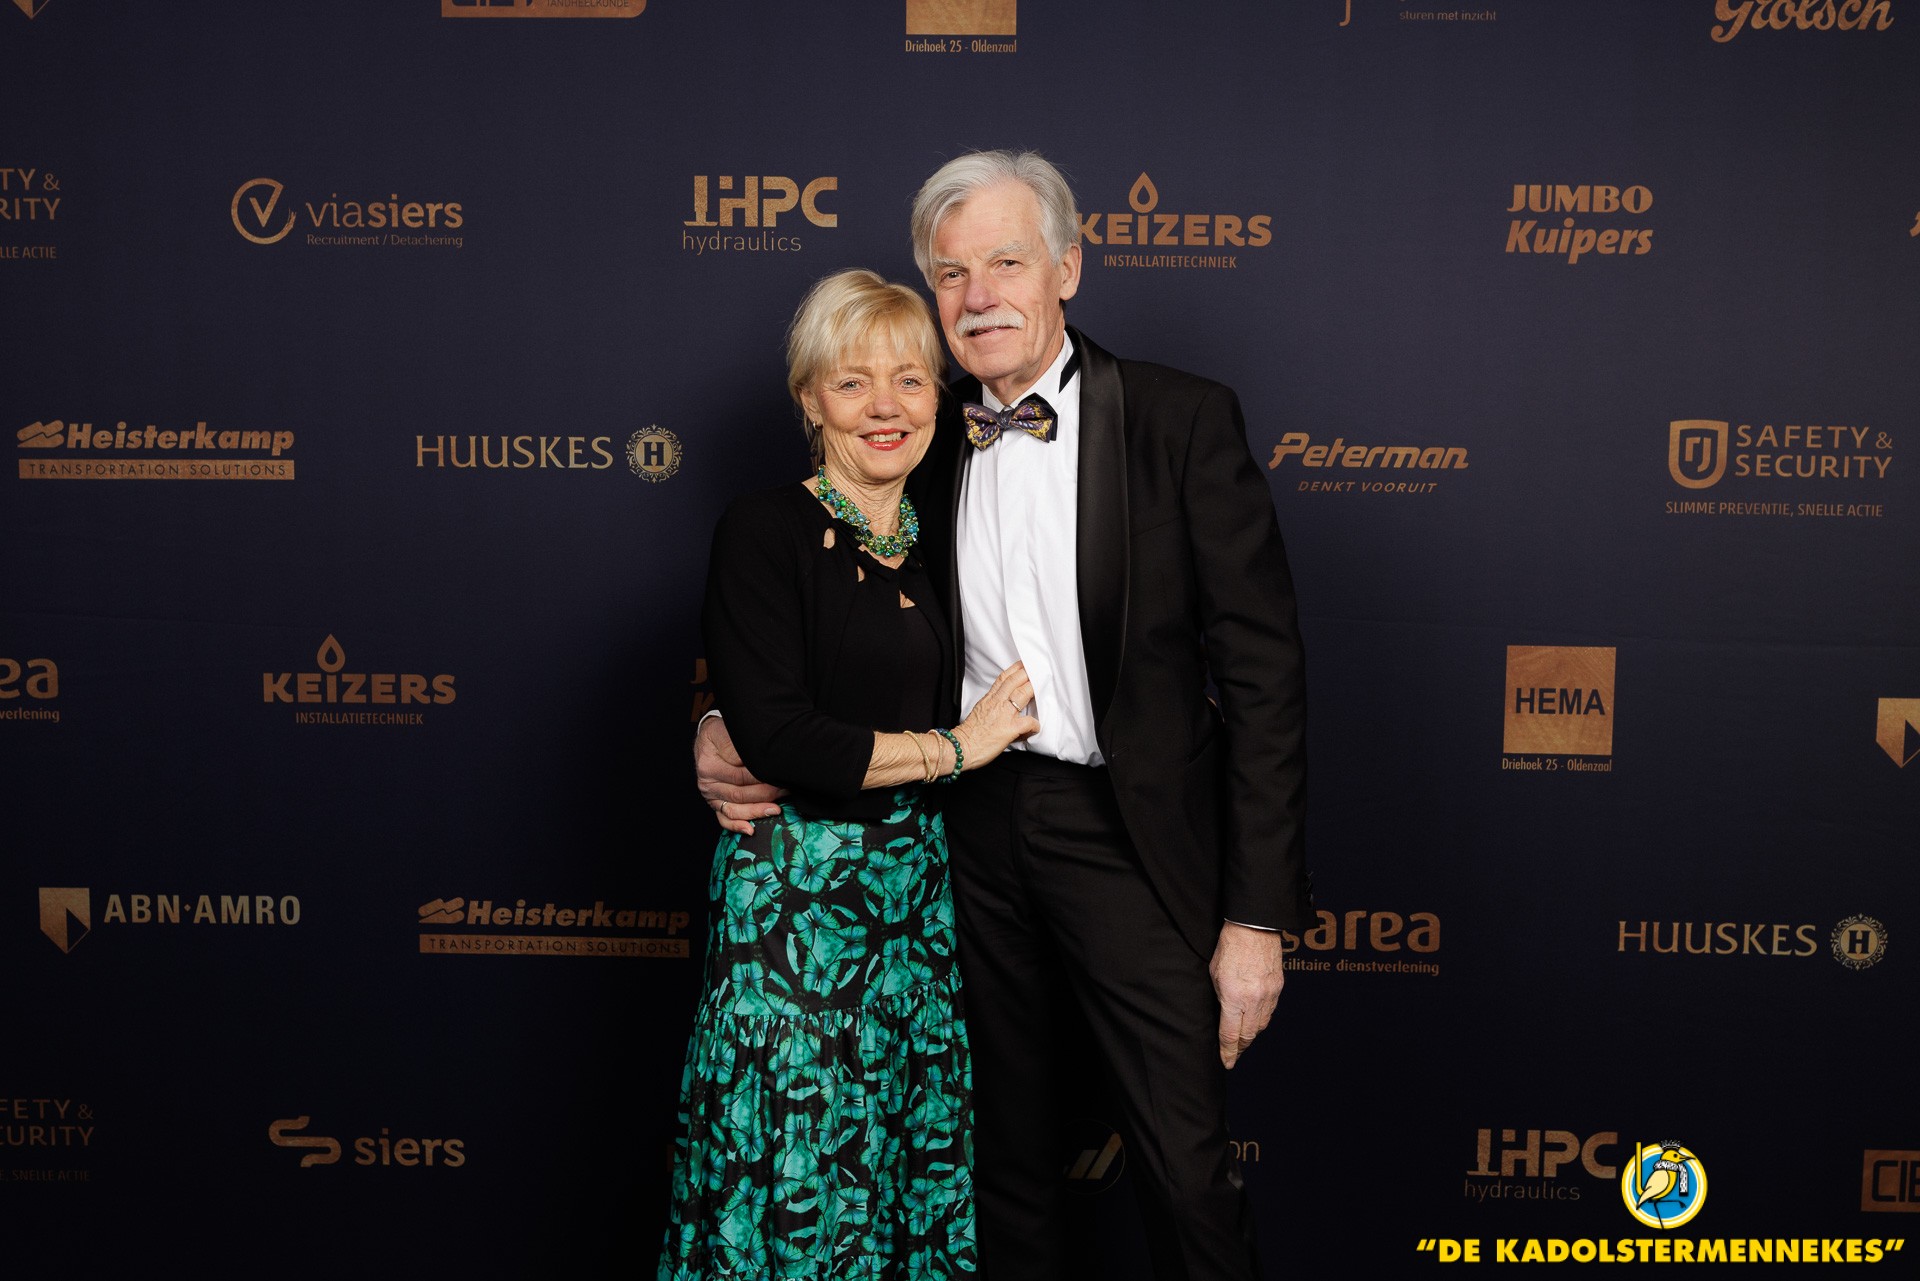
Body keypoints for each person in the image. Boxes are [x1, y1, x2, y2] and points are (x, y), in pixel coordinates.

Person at [696, 151, 1311, 1281]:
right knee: (993, 1157)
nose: (978, 296)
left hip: (1125, 833)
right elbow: (821, 625)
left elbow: (1265, 680)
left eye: (1007, 263)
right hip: (957, 834)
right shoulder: (916, 439)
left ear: (1067, 268)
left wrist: (1257, 916)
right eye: (951, 273)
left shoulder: (1178, 420)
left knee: (1184, 1161)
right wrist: (718, 724)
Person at [660, 268, 1039, 1280]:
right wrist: (956, 747)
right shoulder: (764, 530)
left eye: (910, 381)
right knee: (798, 1163)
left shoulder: (948, 536)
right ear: (810, 400)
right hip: (795, 912)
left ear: (939, 403)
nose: (885, 407)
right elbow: (782, 734)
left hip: (916, 909)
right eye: (853, 382)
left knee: (901, 1162)